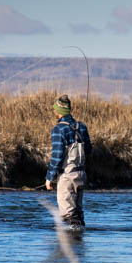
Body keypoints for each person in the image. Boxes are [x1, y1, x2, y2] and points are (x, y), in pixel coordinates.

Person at [45, 94, 92, 229]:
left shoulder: (58, 129)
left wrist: (49, 178)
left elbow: (57, 156)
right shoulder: (82, 126)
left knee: (68, 216)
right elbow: (88, 150)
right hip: (81, 175)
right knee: (78, 213)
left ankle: (70, 246)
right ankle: (80, 247)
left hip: (67, 176)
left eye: (55, 109)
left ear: (59, 112)